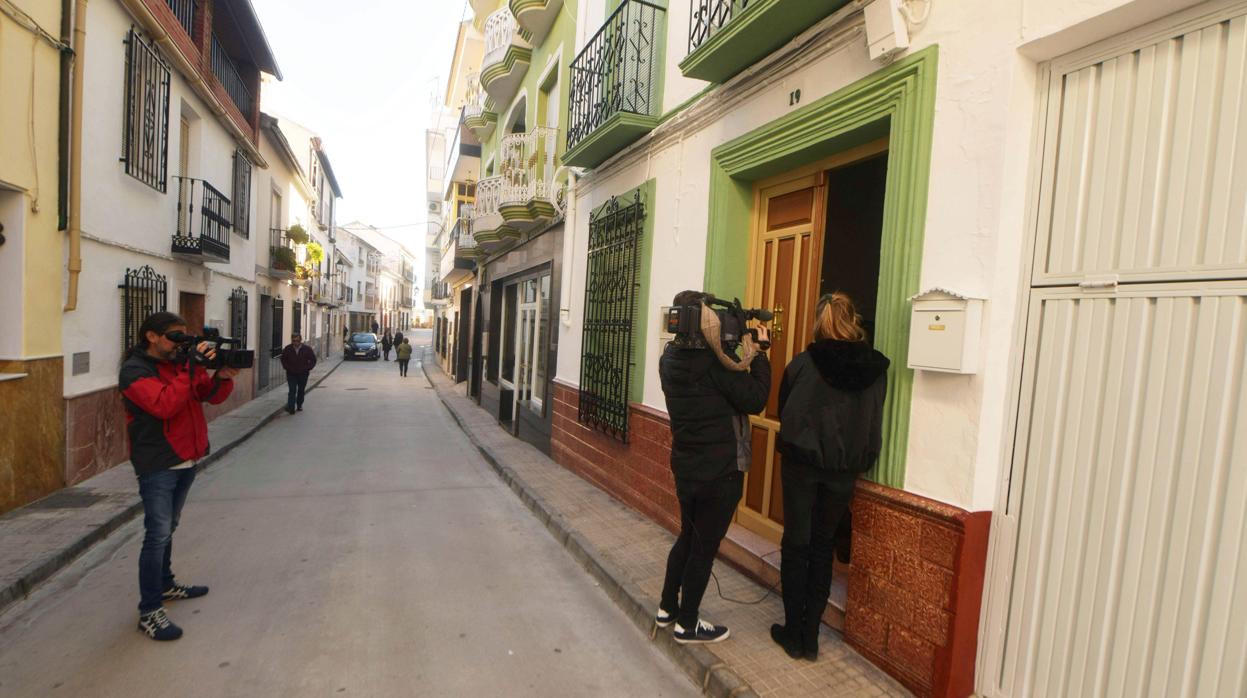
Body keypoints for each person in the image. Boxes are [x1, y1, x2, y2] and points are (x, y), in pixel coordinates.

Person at [770, 292, 889, 661]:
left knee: (797, 544)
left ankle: (793, 633)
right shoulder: (875, 370)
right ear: (852, 320)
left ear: (821, 320)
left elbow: (782, 409)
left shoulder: (804, 364)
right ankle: (811, 636)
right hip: (844, 472)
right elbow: (873, 419)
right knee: (823, 548)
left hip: (802, 467)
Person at [657, 290, 770, 644]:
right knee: (703, 549)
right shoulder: (715, 366)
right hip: (719, 472)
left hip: (686, 467)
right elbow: (755, 398)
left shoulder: (669, 359)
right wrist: (761, 354)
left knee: (688, 537)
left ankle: (667, 608)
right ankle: (687, 624)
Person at [119, 312, 238, 641]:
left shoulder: (179, 364)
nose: (180, 343)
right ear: (151, 337)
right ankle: (150, 610)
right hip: (158, 463)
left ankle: (167, 584)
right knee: (156, 535)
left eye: (184, 338)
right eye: (174, 337)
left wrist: (223, 376)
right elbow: (163, 405)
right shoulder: (134, 371)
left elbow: (207, 395)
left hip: (186, 458)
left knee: (169, 527)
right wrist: (190, 367)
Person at [281, 332, 317, 414]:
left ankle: (299, 404)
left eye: (297, 341)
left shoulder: (307, 349)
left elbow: (313, 360)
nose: (295, 343)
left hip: (303, 374)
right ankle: (291, 408)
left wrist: (308, 368)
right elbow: (283, 360)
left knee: (301, 390)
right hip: (291, 374)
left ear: (300, 340)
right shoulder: (288, 349)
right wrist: (287, 368)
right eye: (294, 341)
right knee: (292, 390)